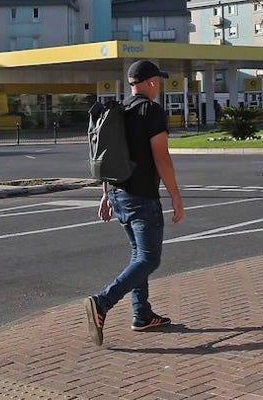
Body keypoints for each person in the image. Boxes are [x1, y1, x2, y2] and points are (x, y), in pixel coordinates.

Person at [84, 59, 185, 345]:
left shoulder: (118, 110)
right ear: (151, 82)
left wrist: (106, 194)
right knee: (149, 258)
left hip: (118, 195)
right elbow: (161, 157)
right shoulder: (151, 111)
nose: (159, 87)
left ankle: (142, 314)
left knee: (137, 255)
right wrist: (176, 197)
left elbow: (110, 155)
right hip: (142, 197)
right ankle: (102, 303)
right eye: (158, 82)